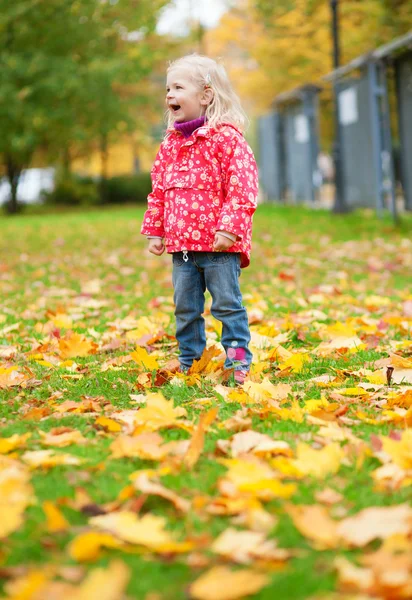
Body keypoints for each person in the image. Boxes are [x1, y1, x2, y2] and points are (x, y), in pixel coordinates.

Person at [141, 54, 258, 384]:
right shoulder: (170, 145)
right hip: (183, 251)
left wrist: (229, 227)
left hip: (219, 248)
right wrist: (156, 229)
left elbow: (243, 186)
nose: (169, 95)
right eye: (167, 89)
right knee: (185, 310)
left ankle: (238, 363)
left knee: (227, 308)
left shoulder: (227, 140)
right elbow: (159, 189)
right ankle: (190, 360)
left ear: (205, 95)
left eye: (178, 87)